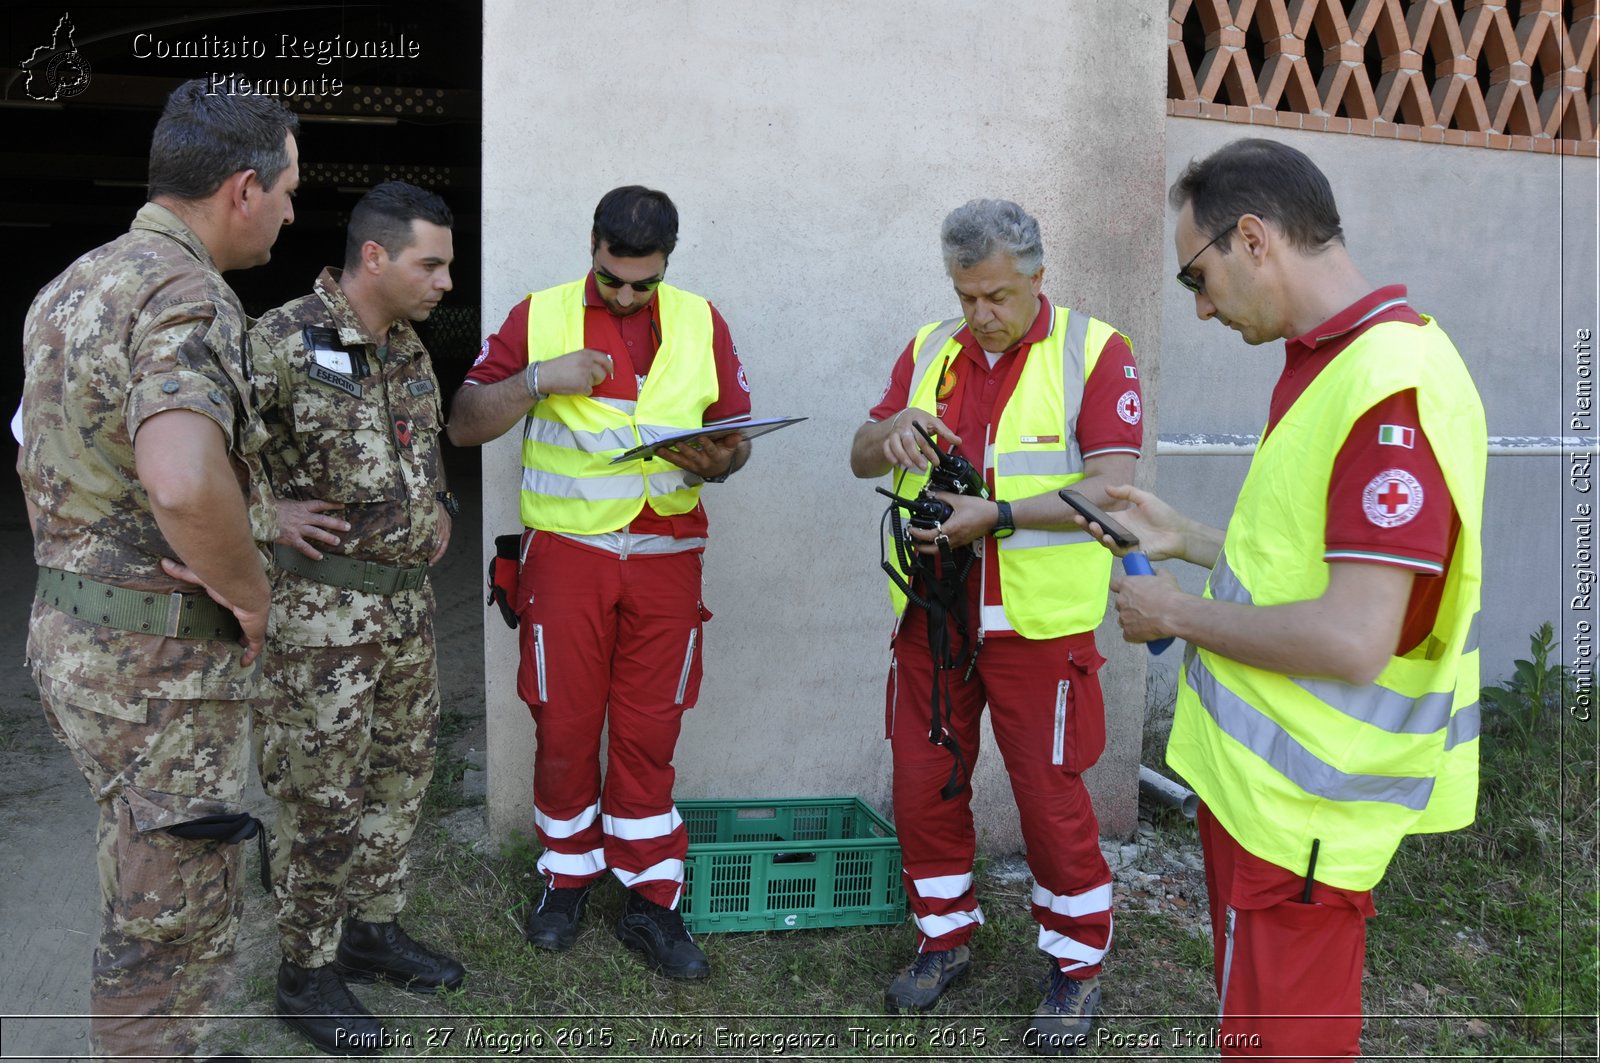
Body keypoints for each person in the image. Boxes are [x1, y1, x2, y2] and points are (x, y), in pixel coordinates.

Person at [1097, 138, 1485, 1059]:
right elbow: (1309, 564)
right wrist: (1184, 538)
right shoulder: (1330, 358)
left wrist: (1173, 613)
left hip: (1306, 824)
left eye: (1198, 274)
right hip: (1264, 808)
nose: (1198, 307)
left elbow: (1355, 636)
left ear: (1255, 238)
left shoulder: (1390, 388)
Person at [18, 79, 298, 1062]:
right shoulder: (191, 295)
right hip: (152, 666)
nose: (292, 213)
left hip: (75, 636)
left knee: (145, 865)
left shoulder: (71, 285)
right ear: (242, 187)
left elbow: (47, 448)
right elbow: (180, 476)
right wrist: (251, 591)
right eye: (288, 190)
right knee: (164, 923)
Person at [849, 199, 1142, 1055]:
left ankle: (1078, 963)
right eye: (965, 294)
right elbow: (860, 453)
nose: (979, 315)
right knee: (923, 781)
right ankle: (944, 938)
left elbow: (1112, 489)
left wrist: (999, 513)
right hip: (932, 610)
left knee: (1050, 797)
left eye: (998, 297)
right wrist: (887, 430)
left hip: (1037, 626)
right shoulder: (929, 347)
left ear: (1039, 276)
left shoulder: (1097, 350)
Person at [447, 185, 752, 979]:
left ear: (667, 265)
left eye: (641, 282)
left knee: (652, 730)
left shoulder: (699, 319)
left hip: (666, 558)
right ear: (592, 244)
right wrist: (541, 377)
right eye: (612, 276)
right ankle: (567, 874)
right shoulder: (538, 314)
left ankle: (653, 896)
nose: (623, 294)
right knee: (566, 724)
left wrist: (721, 459)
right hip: (569, 558)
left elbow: (737, 436)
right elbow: (466, 420)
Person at [245, 180, 464, 1053]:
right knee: (320, 793)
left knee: (402, 772)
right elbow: (199, 452)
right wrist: (269, 515)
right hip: (318, 619)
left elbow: (423, 447)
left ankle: (370, 927)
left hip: (405, 611)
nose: (447, 280)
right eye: (432, 263)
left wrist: (441, 500)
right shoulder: (281, 341)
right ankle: (305, 970)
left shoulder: (408, 347)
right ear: (374, 256)